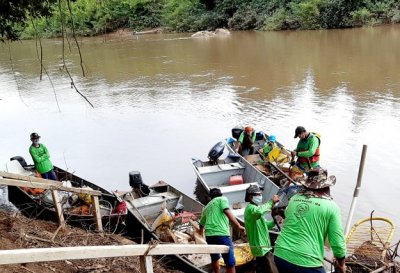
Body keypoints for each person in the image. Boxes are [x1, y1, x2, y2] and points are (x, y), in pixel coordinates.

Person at [273, 168, 347, 273]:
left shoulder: (294, 199)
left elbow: (288, 219)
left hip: (280, 255)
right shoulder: (332, 207)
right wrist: (342, 264)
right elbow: (338, 243)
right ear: (326, 187)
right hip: (307, 263)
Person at [199, 188, 245, 273]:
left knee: (214, 258)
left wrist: (201, 234)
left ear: (210, 197)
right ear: (220, 194)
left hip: (209, 236)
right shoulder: (222, 199)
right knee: (230, 262)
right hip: (222, 235)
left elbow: (201, 224)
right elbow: (227, 211)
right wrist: (238, 225)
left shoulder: (206, 207)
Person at [244, 185, 279, 273]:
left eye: (260, 194)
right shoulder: (251, 209)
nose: (260, 196)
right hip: (260, 248)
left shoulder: (255, 210)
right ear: (250, 197)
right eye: (258, 194)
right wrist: (271, 202)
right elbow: (259, 211)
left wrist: (275, 221)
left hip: (265, 247)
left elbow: (265, 226)